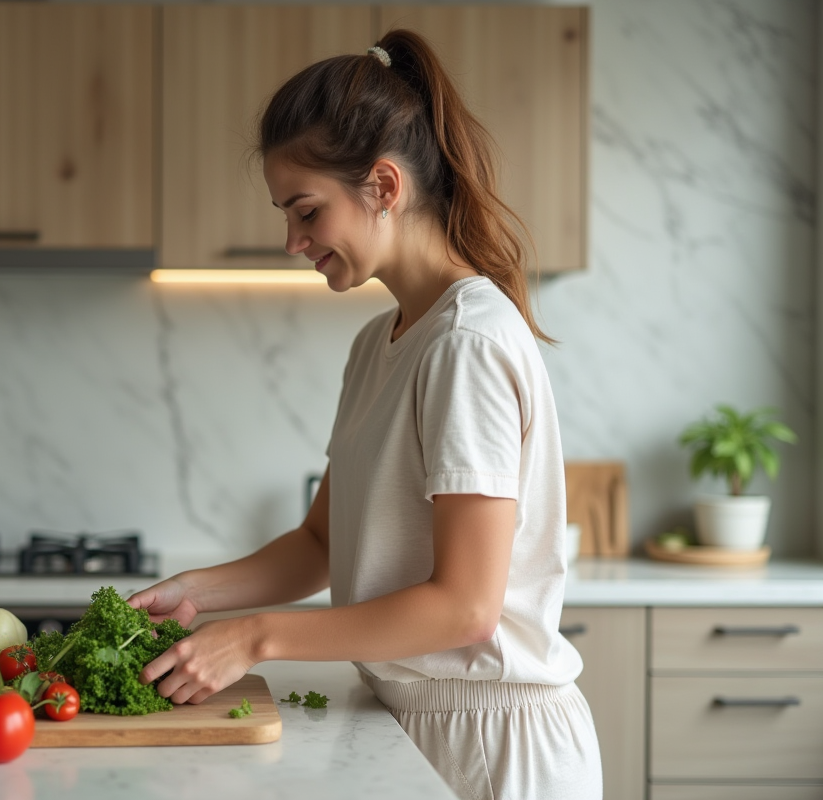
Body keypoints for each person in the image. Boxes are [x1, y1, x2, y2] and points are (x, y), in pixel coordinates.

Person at [128, 29, 601, 800]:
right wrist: (196, 595)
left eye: (306, 211)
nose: (292, 241)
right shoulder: (378, 344)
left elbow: (466, 608)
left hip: (492, 744)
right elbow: (321, 543)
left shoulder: (466, 343)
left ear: (383, 185)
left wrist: (257, 636)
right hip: (413, 723)